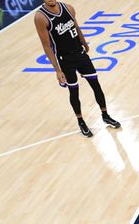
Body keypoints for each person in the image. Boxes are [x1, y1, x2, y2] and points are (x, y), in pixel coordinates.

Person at [34, 0, 121, 137]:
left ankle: (105, 115)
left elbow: (76, 27)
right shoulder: (40, 17)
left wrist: (84, 42)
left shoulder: (68, 8)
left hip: (80, 54)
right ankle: (81, 121)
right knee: (74, 92)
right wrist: (57, 69)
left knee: (96, 85)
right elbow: (46, 46)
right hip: (65, 60)